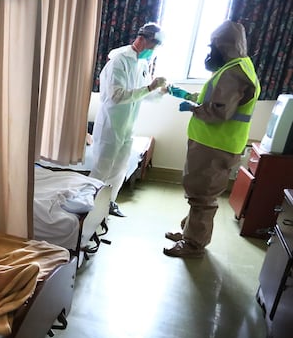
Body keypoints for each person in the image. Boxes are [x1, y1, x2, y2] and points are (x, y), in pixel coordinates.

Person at [164, 20, 260, 258]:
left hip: (215, 145)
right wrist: (188, 95)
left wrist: (193, 108)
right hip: (212, 144)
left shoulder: (234, 73)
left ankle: (193, 244)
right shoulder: (239, 66)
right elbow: (216, 98)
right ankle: (190, 231)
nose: (210, 52)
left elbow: (218, 111)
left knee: (203, 196)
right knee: (199, 192)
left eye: (213, 47)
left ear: (224, 46)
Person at [90, 22, 168, 218]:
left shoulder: (142, 64)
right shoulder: (119, 61)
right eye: (153, 47)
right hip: (111, 124)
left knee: (120, 167)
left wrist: (159, 92)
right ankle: (89, 205)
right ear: (142, 39)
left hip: (127, 126)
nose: (153, 52)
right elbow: (117, 95)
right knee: (102, 168)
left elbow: (143, 95)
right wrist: (149, 88)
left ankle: (109, 203)